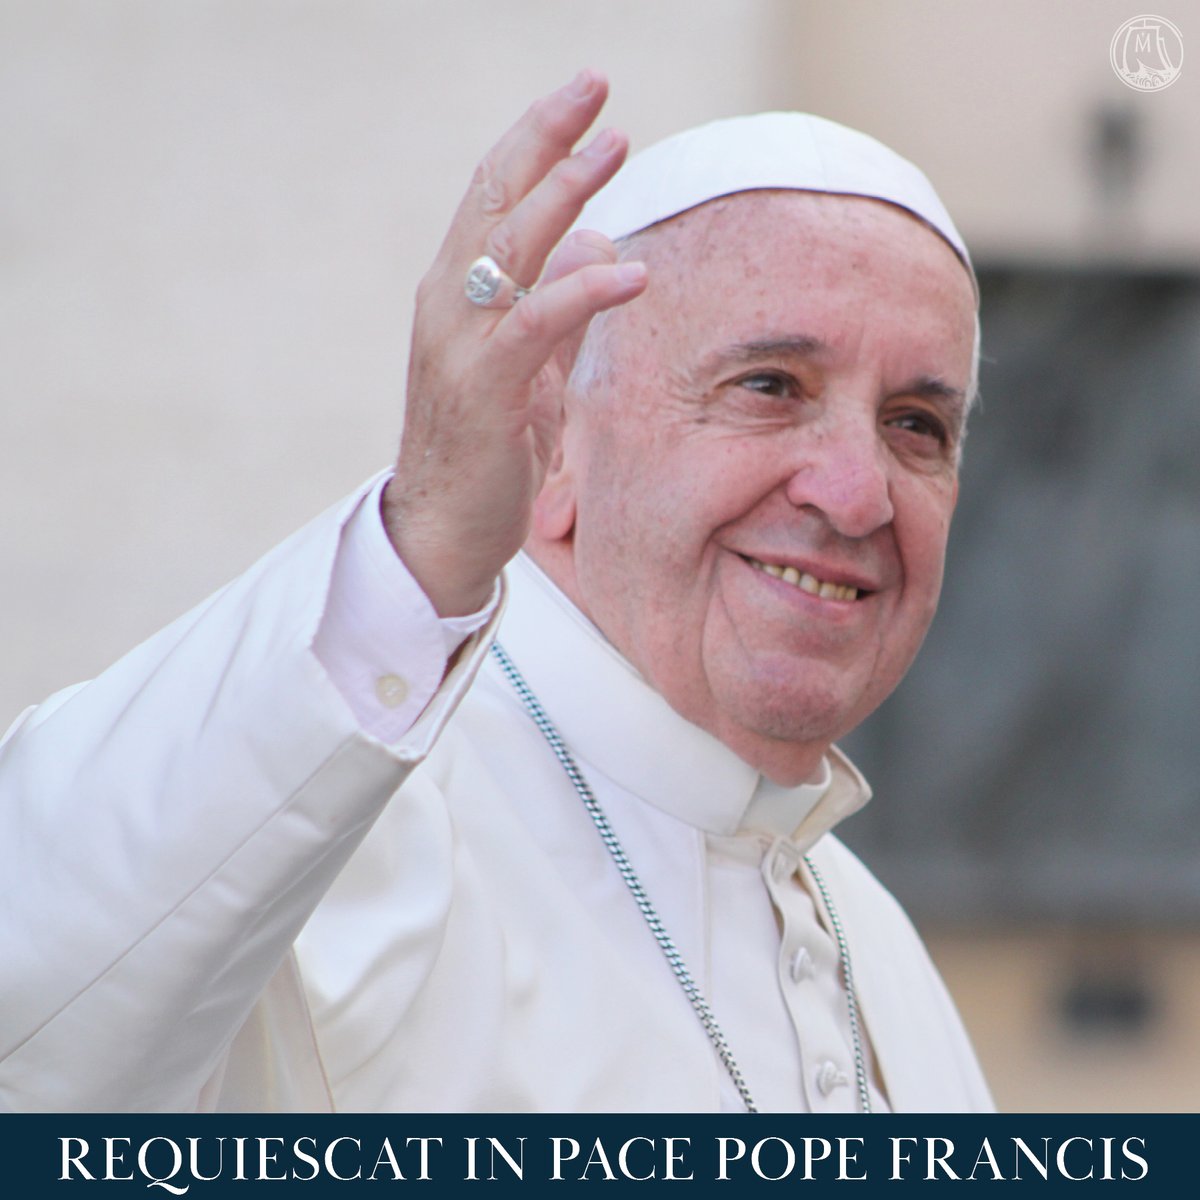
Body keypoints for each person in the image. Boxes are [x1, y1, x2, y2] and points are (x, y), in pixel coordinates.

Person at [0, 71, 990, 1113]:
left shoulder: (873, 940)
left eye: (916, 423)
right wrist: (416, 546)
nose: (855, 493)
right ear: (552, 433)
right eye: (769, 387)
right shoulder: (333, 836)